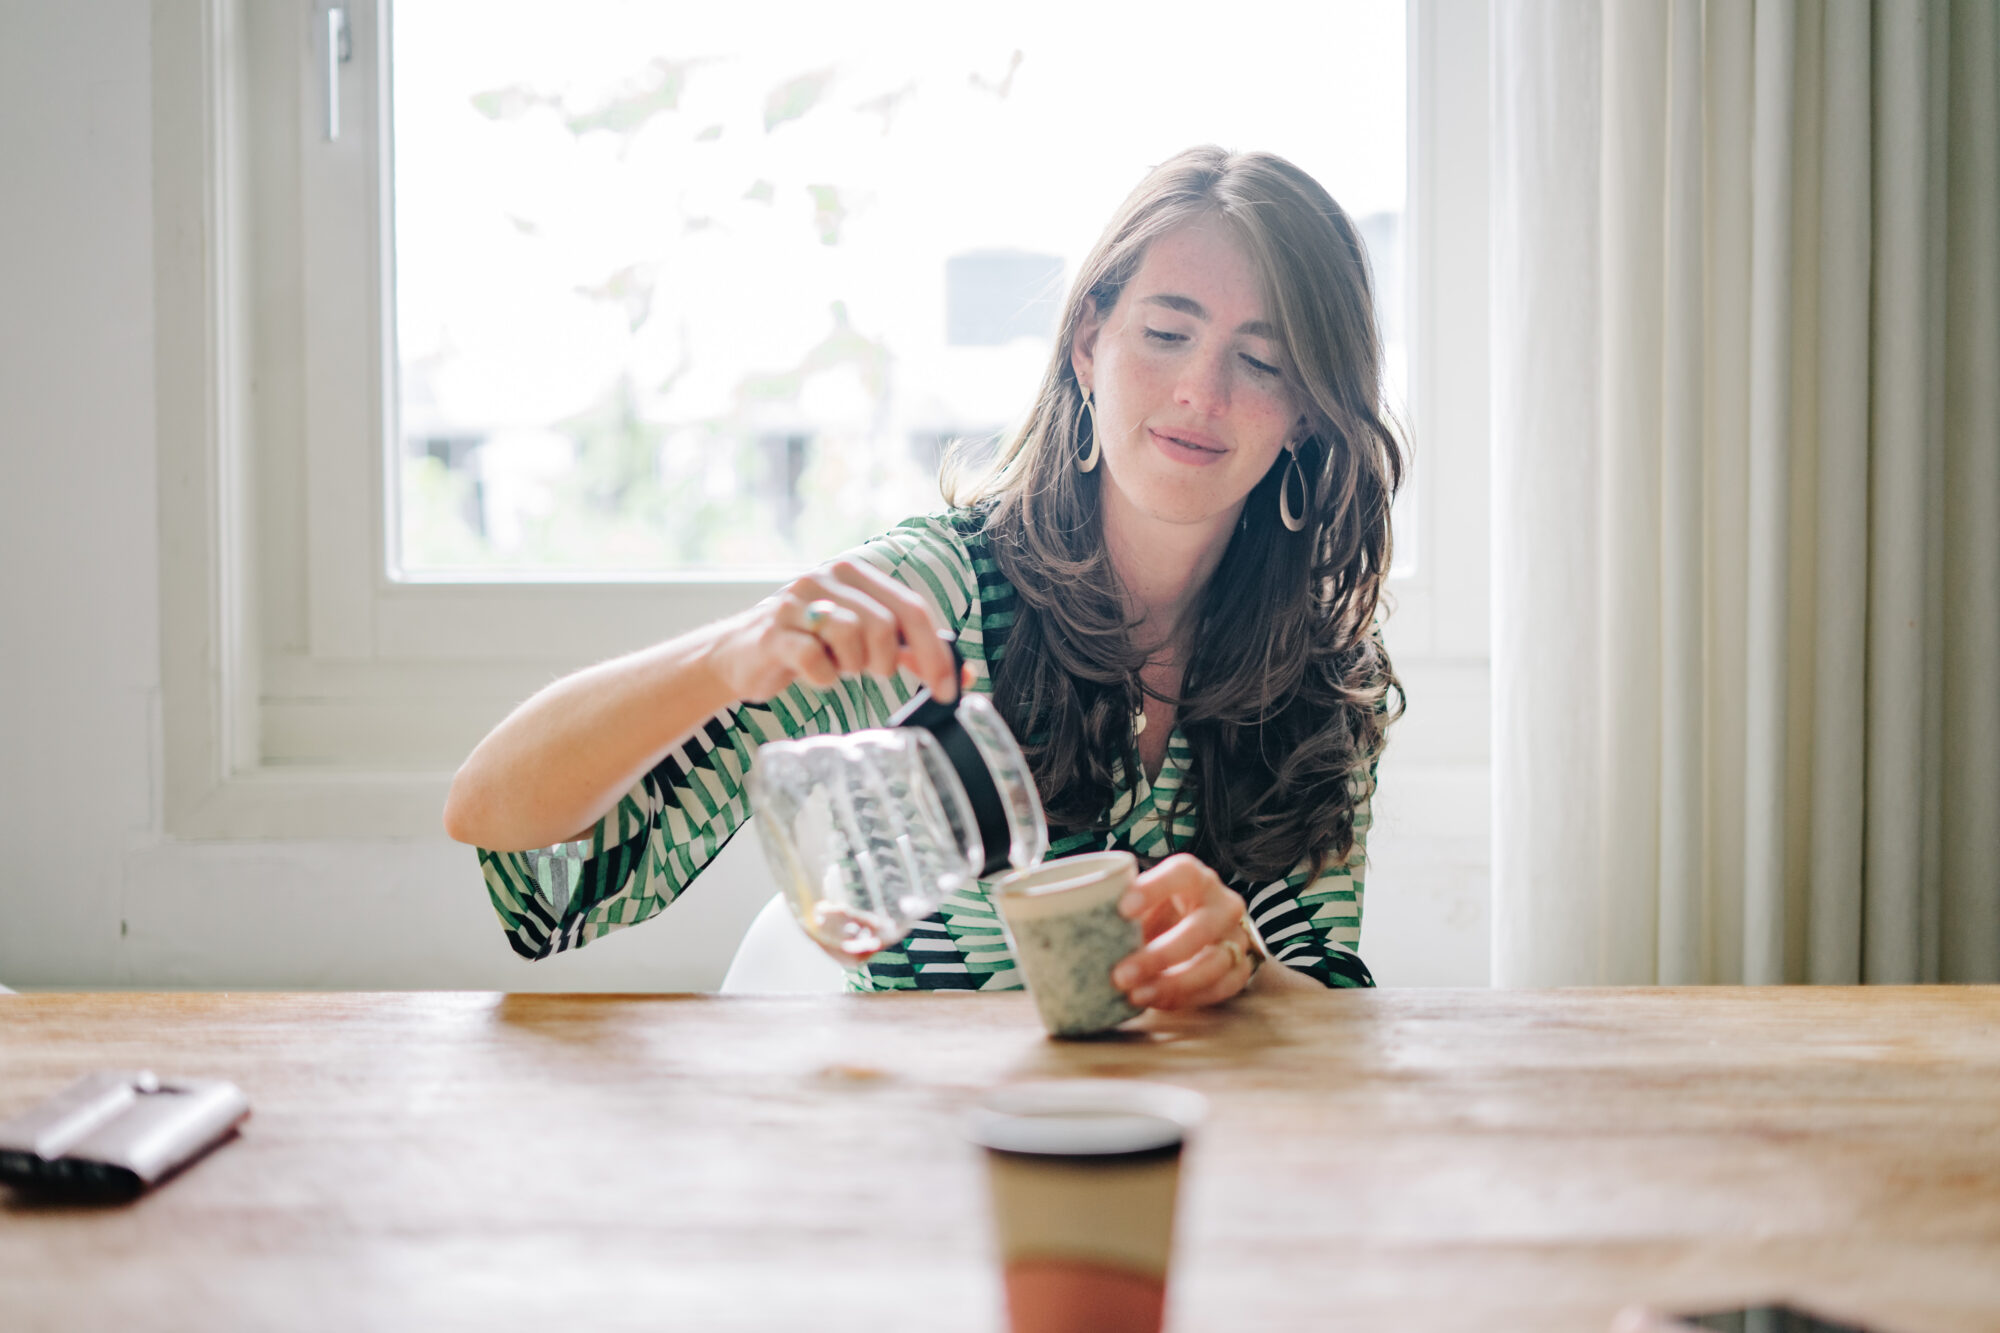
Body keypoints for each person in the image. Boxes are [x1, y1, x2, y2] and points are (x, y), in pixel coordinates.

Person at [444, 145, 1404, 1008]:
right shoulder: (929, 608)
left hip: (1183, 1157)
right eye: (1165, 335)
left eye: (1262, 359)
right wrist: (729, 655)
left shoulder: (1316, 670)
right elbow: (529, 865)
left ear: (1310, 414)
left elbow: (1330, 1014)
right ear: (1087, 346)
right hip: (921, 1159)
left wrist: (1245, 963)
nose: (1204, 390)